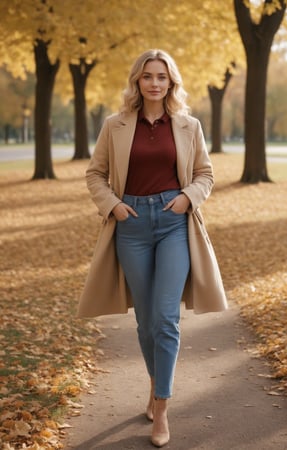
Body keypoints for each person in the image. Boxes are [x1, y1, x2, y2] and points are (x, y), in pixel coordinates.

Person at [77, 49, 228, 448]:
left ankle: (161, 407)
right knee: (145, 321)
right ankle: (155, 383)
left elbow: (205, 174)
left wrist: (187, 198)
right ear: (137, 81)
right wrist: (114, 206)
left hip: (174, 222)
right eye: (148, 76)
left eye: (162, 76)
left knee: (165, 318)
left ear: (171, 82)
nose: (155, 83)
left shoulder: (188, 125)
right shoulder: (115, 125)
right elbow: (95, 174)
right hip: (132, 225)